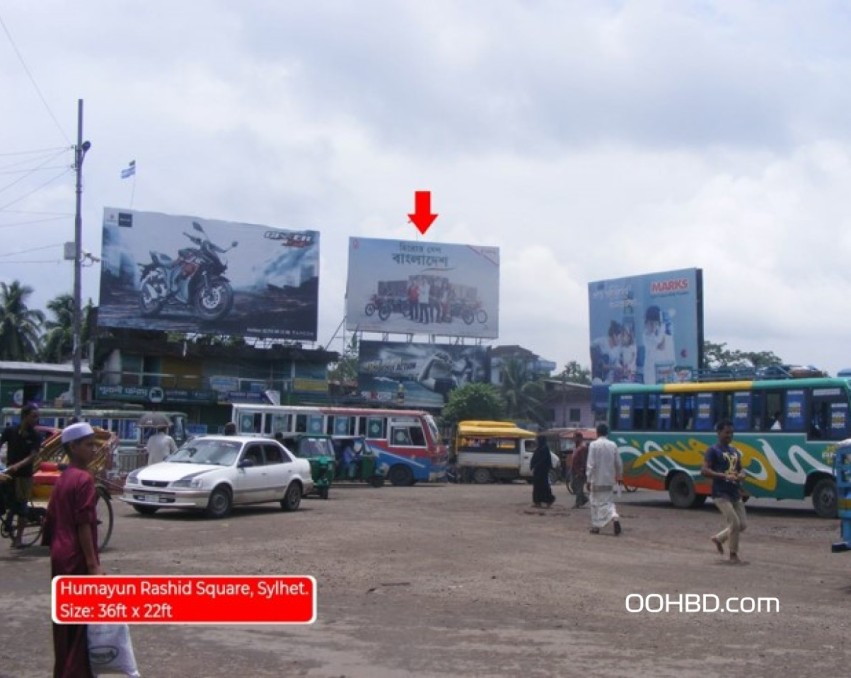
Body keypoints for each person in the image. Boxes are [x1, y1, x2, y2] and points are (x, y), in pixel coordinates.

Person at [43, 422, 102, 677]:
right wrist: (93, 566)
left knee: (64, 624)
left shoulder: (64, 478)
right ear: (73, 447)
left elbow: (51, 520)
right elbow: (84, 524)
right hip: (76, 557)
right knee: (80, 626)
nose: (93, 449)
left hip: (59, 555)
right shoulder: (83, 478)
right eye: (88, 445)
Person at [702, 419, 747, 564]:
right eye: (727, 433)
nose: (730, 436)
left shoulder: (734, 451)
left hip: (734, 492)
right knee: (734, 522)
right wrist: (722, 475)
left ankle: (719, 538)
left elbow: (741, 469)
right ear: (719, 433)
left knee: (742, 525)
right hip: (720, 493)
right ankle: (733, 554)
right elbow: (704, 470)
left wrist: (741, 475)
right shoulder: (712, 451)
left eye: (732, 433)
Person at [0, 403, 42, 548]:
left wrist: (18, 466)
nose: (36, 419)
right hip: (8, 473)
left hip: (24, 475)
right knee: (6, 501)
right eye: (33, 416)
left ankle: (18, 538)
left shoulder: (35, 436)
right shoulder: (10, 430)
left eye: (37, 416)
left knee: (22, 507)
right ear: (24, 417)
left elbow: (32, 457)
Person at [586, 423, 623, 535]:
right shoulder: (613, 445)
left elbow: (590, 464)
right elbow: (619, 463)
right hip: (608, 480)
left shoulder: (593, 445)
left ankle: (596, 527)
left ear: (597, 432)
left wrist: (588, 479)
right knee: (608, 503)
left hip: (596, 480)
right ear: (607, 433)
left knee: (595, 503)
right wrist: (619, 475)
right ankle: (614, 516)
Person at [530, 435, 555, 508]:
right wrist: (532, 465)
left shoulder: (545, 448)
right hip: (537, 472)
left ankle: (549, 501)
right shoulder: (539, 448)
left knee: (544, 487)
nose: (536, 441)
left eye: (537, 440)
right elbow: (535, 458)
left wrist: (537, 465)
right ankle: (537, 502)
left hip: (543, 472)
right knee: (537, 487)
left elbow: (544, 460)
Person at [570, 432, 589, 509]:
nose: (573, 439)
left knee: (579, 487)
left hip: (580, 470)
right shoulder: (576, 447)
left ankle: (577, 503)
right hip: (574, 469)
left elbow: (584, 460)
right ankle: (584, 499)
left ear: (579, 438)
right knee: (573, 485)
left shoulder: (583, 447)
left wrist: (581, 470)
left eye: (575, 437)